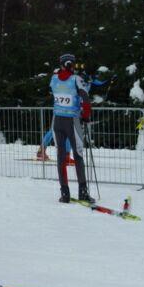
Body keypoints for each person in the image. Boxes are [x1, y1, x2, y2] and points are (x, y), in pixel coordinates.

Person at [50, 53, 94, 204]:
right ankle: (83, 192)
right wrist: (86, 116)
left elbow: (58, 87)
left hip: (57, 120)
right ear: (71, 64)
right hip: (72, 121)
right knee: (78, 155)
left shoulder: (54, 78)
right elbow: (85, 98)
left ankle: (65, 193)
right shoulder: (76, 79)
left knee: (61, 157)